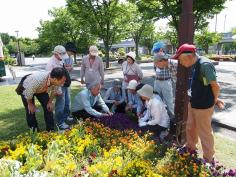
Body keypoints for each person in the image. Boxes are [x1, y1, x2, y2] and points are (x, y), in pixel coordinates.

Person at [172, 43, 225, 162]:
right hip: (194, 103)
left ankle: (209, 158)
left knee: (204, 133)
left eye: (180, 59)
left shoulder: (204, 65)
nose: (180, 62)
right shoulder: (195, 64)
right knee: (190, 128)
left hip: (204, 106)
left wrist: (214, 101)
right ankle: (190, 149)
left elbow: (215, 86)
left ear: (189, 56)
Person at [17, 67, 67, 132]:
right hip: (27, 88)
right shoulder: (37, 80)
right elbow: (28, 93)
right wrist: (30, 104)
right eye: (62, 81)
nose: (63, 83)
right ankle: (34, 132)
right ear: (55, 79)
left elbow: (54, 91)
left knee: (48, 108)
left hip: (41, 89)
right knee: (30, 110)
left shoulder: (56, 81)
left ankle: (50, 130)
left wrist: (49, 102)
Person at [46, 45, 71, 130]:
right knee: (60, 104)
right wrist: (58, 90)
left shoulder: (61, 59)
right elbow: (51, 79)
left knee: (67, 102)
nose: (62, 57)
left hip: (64, 84)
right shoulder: (50, 63)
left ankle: (65, 116)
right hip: (57, 87)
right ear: (56, 54)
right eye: (61, 55)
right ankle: (60, 122)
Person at [153, 53, 177, 118]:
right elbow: (156, 69)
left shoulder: (172, 63)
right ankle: (159, 114)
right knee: (156, 98)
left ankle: (172, 116)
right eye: (155, 63)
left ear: (162, 61)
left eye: (157, 63)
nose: (156, 65)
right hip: (157, 81)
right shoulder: (157, 62)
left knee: (169, 100)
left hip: (166, 82)